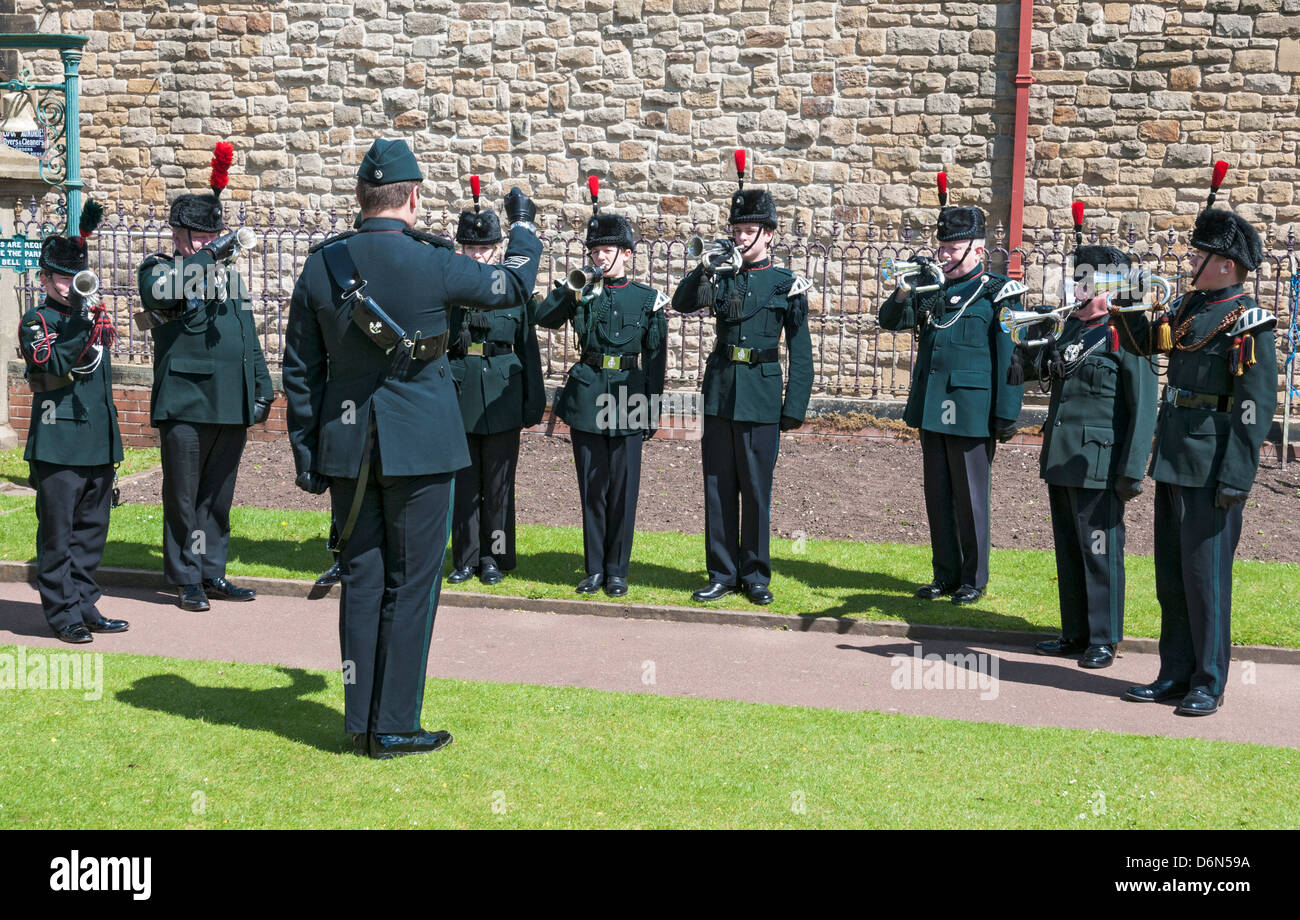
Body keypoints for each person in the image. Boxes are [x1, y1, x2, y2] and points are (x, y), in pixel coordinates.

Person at [282, 139, 542, 758]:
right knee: (413, 586)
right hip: (422, 447)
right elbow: (515, 286)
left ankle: (360, 721)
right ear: (414, 198)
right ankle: (395, 723)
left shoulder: (322, 266)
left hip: (347, 448)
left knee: (363, 579)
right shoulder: (434, 264)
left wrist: (307, 452)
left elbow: (300, 371)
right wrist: (525, 230)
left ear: (360, 197)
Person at [1112, 161, 1277, 716]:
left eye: (1196, 255)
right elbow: (1145, 345)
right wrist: (1124, 301)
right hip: (1176, 457)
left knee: (1207, 580)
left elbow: (1255, 408)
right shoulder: (1187, 307)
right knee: (1172, 576)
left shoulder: (1247, 321)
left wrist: (1238, 475)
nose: (1188, 261)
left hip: (1213, 466)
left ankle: (1209, 680)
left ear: (1223, 264)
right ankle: (1175, 672)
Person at [1016, 207, 1157, 669]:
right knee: (1070, 549)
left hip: (1102, 461)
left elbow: (1143, 407)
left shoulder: (1126, 334)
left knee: (1100, 552)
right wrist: (1033, 338)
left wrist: (1133, 469)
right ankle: (1074, 631)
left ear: (1107, 289)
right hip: (1063, 457)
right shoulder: (1071, 327)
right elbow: (1031, 376)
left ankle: (1103, 638)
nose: (1072, 291)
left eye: (1082, 283)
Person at [671, 150, 813, 606]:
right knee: (717, 484)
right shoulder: (722, 275)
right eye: (735, 230)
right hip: (721, 392)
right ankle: (722, 572)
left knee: (755, 488)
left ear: (769, 234)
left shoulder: (786, 283)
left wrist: (794, 407)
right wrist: (706, 265)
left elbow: (802, 352)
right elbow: (682, 302)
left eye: (748, 230)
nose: (739, 237)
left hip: (762, 392)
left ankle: (755, 574)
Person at [136, 142, 273, 612]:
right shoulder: (159, 270)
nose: (202, 243)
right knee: (184, 496)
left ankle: (212, 571)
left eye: (209, 237)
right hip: (186, 401)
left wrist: (262, 385)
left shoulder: (229, 279)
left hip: (229, 401)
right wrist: (208, 255)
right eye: (195, 236)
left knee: (217, 496)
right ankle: (185, 577)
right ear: (177, 234)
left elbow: (246, 336)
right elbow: (161, 296)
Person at [878, 172, 1026, 606]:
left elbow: (1011, 358)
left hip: (973, 411)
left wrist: (1006, 414)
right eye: (940, 247)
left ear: (977, 249)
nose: (943, 255)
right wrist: (906, 289)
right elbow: (891, 321)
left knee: (970, 498)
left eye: (952, 248)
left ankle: (973, 579)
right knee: (938, 496)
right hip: (933, 407)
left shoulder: (998, 293)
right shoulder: (932, 289)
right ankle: (944, 574)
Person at [533, 176, 667, 597]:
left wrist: (652, 410)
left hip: (629, 396)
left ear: (626, 253)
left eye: (606, 250)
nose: (599, 256)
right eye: (594, 250)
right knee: (592, 487)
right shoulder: (581, 290)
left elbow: (656, 360)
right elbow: (544, 318)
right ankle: (593, 568)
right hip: (588, 394)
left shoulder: (647, 299)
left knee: (623, 492)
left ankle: (617, 570)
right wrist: (573, 289)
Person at [18, 203, 129, 643]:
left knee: (91, 532)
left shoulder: (91, 318)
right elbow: (52, 368)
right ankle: (62, 612)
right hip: (58, 442)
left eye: (75, 276)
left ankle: (84, 603)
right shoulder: (37, 321)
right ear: (44, 279)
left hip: (97, 439)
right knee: (59, 534)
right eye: (61, 278)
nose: (70, 285)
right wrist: (81, 324)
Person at [446, 176, 546, 586]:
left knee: (499, 486)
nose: (477, 255)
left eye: (484, 248)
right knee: (464, 483)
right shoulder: (449, 291)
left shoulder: (514, 292)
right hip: (459, 394)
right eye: (470, 247)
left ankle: (495, 557)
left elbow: (528, 349)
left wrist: (531, 403)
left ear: (497, 249)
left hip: (502, 397)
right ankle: (466, 558)